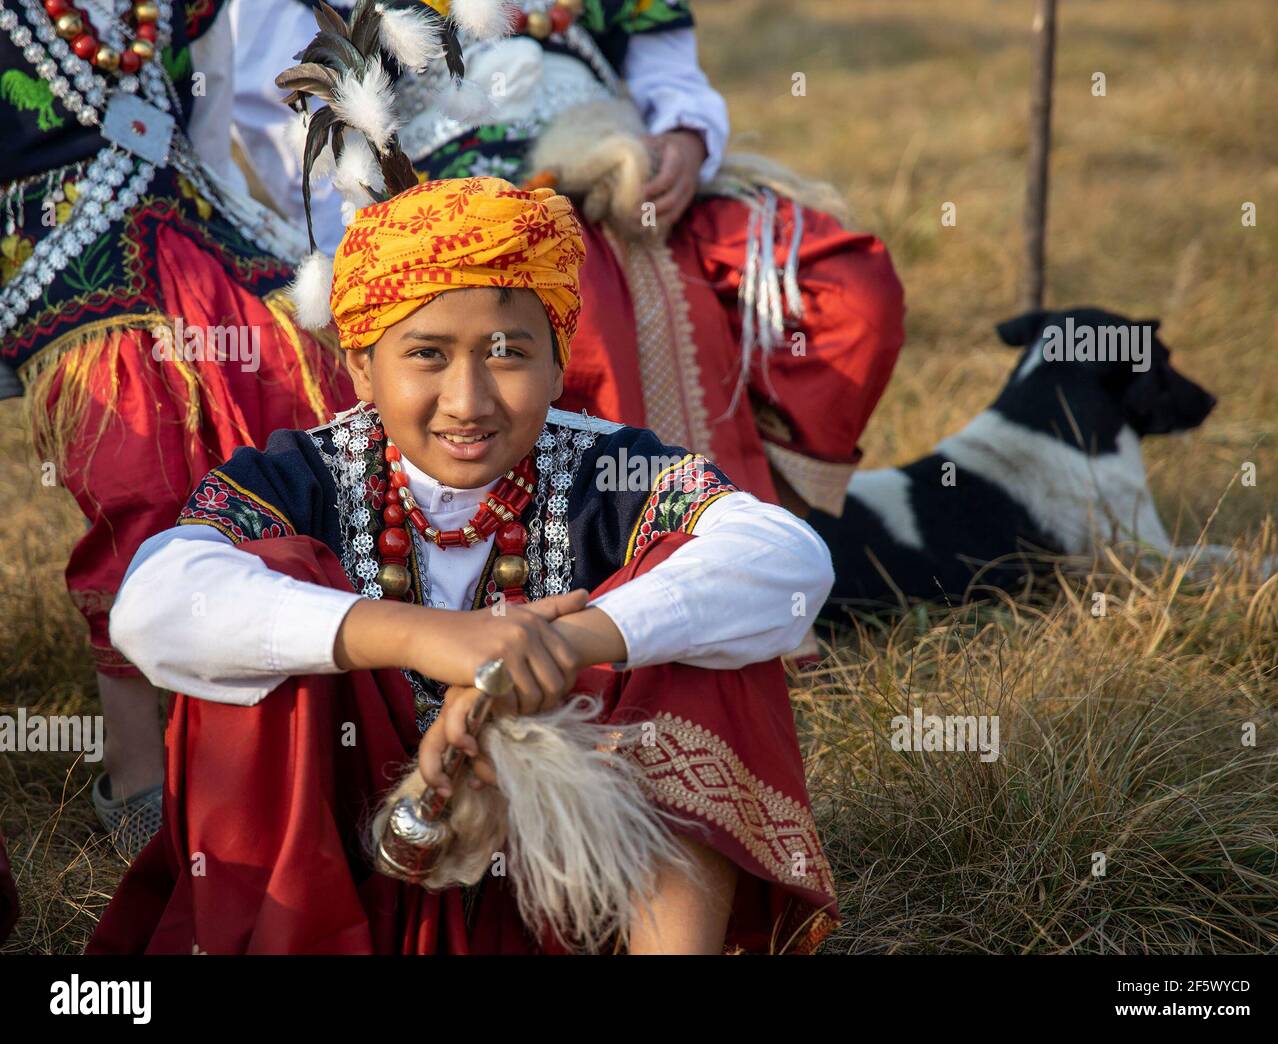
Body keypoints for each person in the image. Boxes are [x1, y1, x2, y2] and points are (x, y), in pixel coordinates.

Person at [88, 174, 840, 955]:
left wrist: (564, 645)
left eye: (508, 353)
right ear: (360, 366)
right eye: (427, 355)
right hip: (344, 895)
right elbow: (152, 605)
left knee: (700, 630)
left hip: (571, 890)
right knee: (260, 598)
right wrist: (418, 638)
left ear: (557, 364)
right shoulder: (300, 478)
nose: (468, 400)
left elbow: (785, 559)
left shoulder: (609, 472)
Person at [230, 0, 906, 518]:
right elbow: (286, 112)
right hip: (451, 207)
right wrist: (381, 233)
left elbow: (670, 72)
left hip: (630, 171)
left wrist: (685, 137)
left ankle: (752, 524)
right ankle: (590, 555)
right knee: (588, 305)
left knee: (845, 288)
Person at [0, 0, 353, 853]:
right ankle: (136, 771)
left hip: (190, 219)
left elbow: (218, 115)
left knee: (299, 393)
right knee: (140, 461)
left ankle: (286, 726)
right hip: (50, 249)